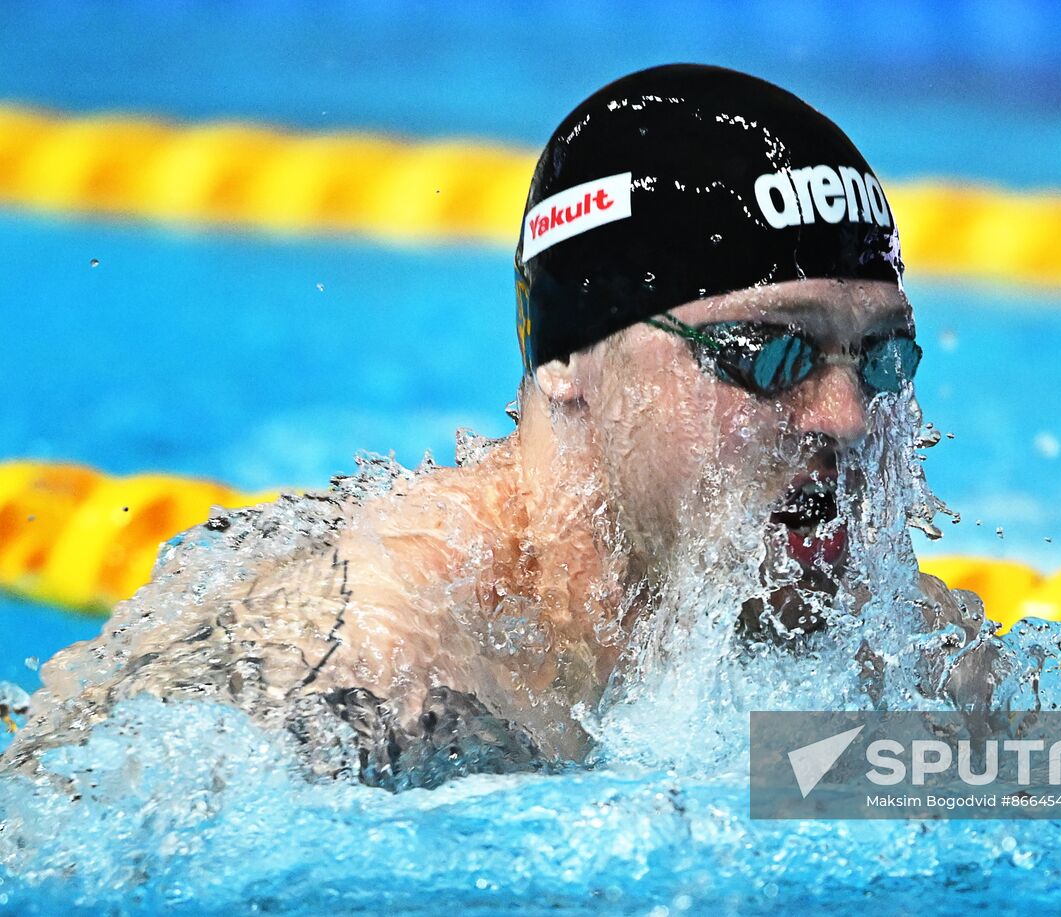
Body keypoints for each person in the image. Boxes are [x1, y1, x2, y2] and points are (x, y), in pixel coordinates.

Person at [3, 64, 1003, 791]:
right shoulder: (380, 662)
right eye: (766, 353)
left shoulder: (919, 659)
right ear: (568, 363)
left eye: (880, 356)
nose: (844, 415)